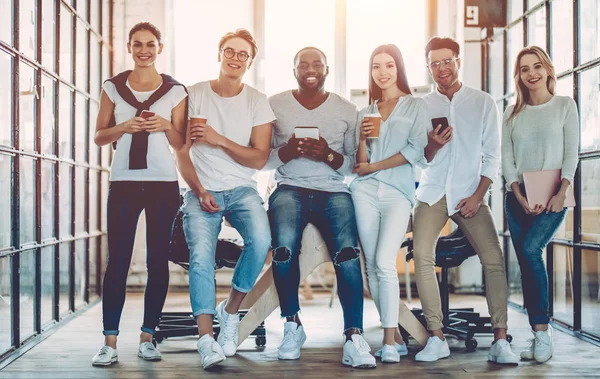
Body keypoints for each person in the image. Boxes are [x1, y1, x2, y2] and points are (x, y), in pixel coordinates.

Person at [266, 46, 376, 368]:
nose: (310, 69)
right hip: (289, 188)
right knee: (283, 249)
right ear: (294, 70)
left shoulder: (347, 109)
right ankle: (292, 324)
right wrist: (288, 151)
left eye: (317, 64)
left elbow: (353, 165)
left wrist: (326, 154)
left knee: (348, 253)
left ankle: (354, 336)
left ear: (326, 70)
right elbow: (263, 159)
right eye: (304, 65)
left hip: (332, 191)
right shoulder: (274, 106)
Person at [412, 37, 518, 364]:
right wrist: (431, 146)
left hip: (469, 193)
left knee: (494, 259)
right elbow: (419, 159)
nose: (441, 68)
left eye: (447, 61)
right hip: (432, 193)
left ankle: (501, 339)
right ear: (428, 67)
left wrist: (478, 195)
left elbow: (492, 158)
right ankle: (437, 336)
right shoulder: (421, 105)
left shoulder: (483, 102)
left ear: (458, 61)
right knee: (421, 255)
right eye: (435, 63)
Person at [175, 29, 274, 370]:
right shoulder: (194, 94)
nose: (235, 58)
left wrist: (219, 140)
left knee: (261, 241)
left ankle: (229, 312)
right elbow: (182, 152)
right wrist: (199, 190)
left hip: (241, 189)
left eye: (242, 54)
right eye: (229, 51)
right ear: (219, 54)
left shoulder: (257, 101)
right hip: (200, 189)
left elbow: (259, 159)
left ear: (250, 60)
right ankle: (206, 340)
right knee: (201, 257)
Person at [91, 22, 187, 366]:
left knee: (157, 262)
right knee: (118, 260)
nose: (143, 50)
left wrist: (166, 126)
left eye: (150, 44)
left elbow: (181, 143)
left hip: (163, 183)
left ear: (160, 47)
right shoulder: (113, 87)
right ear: (129, 48)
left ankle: (148, 337)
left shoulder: (176, 90)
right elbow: (100, 137)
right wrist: (123, 127)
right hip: (125, 183)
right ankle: (109, 342)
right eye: (137, 45)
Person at [350, 44, 427, 363]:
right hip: (364, 191)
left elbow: (416, 151)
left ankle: (390, 342)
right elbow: (360, 162)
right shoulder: (365, 112)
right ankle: (393, 337)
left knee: (384, 261)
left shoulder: (415, 107)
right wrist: (363, 140)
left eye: (389, 66)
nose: (382, 72)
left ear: (399, 69)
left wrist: (374, 167)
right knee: (371, 265)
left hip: (397, 192)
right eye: (376, 66)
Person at [502, 46, 579, 364]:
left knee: (532, 251)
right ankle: (537, 334)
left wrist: (561, 193)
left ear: (548, 70)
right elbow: (508, 159)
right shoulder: (511, 111)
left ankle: (543, 334)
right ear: (518, 76)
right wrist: (517, 194)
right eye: (524, 69)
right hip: (517, 198)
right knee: (527, 262)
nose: (531, 73)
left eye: (537, 66)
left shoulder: (565, 105)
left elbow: (570, 154)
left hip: (554, 197)